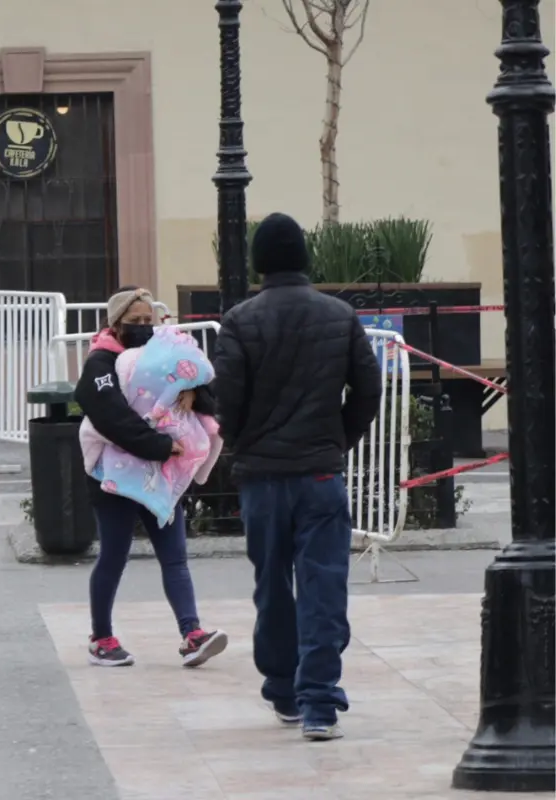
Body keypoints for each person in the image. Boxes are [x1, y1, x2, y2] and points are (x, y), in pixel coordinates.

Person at [212, 212, 381, 741]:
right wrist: (338, 441)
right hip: (318, 473)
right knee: (323, 585)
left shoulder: (239, 321)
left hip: (263, 476)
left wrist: (241, 444)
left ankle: (283, 688)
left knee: (273, 585)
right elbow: (367, 392)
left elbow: (228, 400)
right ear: (305, 258)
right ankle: (319, 701)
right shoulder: (340, 315)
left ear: (258, 263)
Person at [73, 286, 228, 668]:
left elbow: (203, 388)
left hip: (161, 475)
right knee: (113, 554)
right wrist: (158, 446)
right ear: (116, 323)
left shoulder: (165, 355)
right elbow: (111, 416)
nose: (143, 327)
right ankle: (101, 638)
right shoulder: (101, 363)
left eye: (149, 320)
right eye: (134, 321)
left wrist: (194, 395)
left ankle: (192, 634)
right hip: (116, 475)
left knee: (174, 556)